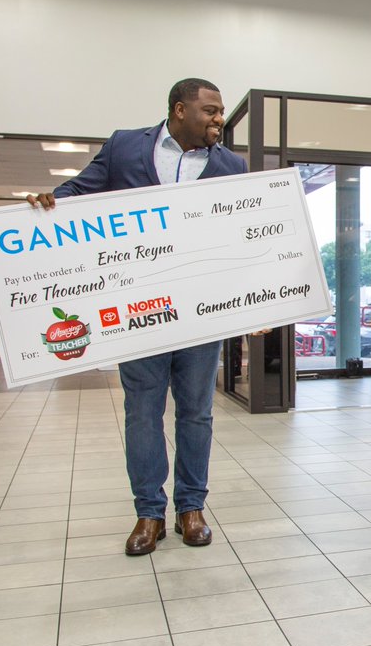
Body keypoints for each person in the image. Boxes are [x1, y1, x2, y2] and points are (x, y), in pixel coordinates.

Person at [28, 78, 248, 555]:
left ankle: (191, 508)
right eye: (210, 110)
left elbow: (241, 239)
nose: (218, 119)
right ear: (179, 109)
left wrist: (257, 298)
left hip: (199, 314)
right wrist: (49, 203)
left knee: (197, 413)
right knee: (142, 413)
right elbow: (78, 191)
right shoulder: (126, 146)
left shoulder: (231, 165)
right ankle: (149, 512)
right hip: (137, 311)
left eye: (221, 111)